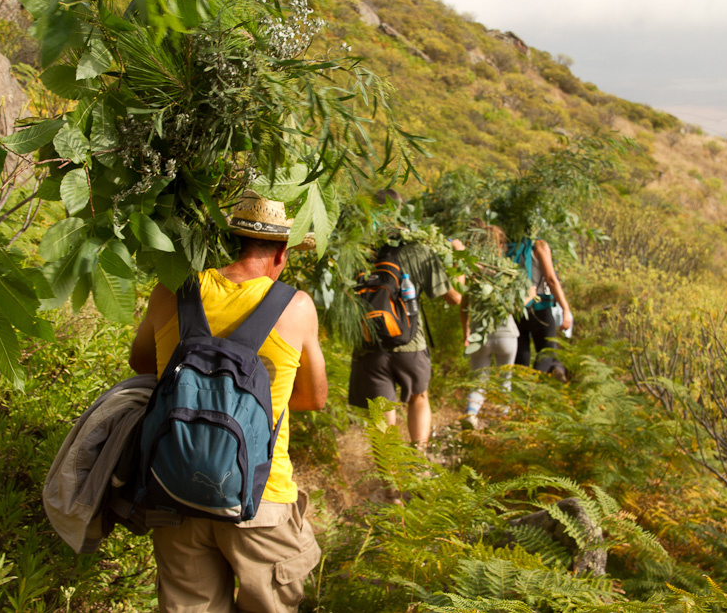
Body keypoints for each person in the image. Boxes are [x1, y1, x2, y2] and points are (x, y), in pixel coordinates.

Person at [129, 189, 328, 613]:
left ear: (227, 241)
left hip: (174, 488)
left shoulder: (172, 291)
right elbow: (314, 398)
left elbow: (143, 364)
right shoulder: (295, 307)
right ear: (281, 254)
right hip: (259, 497)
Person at [348, 189, 463, 453]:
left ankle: (390, 477)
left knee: (381, 410)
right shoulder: (419, 249)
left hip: (370, 343)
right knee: (419, 397)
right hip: (411, 342)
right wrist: (457, 256)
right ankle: (418, 463)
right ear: (401, 211)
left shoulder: (356, 248)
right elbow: (455, 297)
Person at [460, 220, 519, 429]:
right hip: (506, 334)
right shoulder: (508, 271)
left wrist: (466, 332)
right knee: (505, 380)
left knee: (479, 380)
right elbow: (516, 305)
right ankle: (503, 422)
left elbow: (464, 306)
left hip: (479, 335)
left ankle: (471, 414)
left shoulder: (472, 271)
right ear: (500, 245)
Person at [511, 236, 572, 378]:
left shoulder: (511, 245)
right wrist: (566, 309)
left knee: (521, 356)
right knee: (547, 353)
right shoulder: (539, 246)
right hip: (540, 308)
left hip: (518, 308)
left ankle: (521, 387)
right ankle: (534, 386)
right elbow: (551, 279)